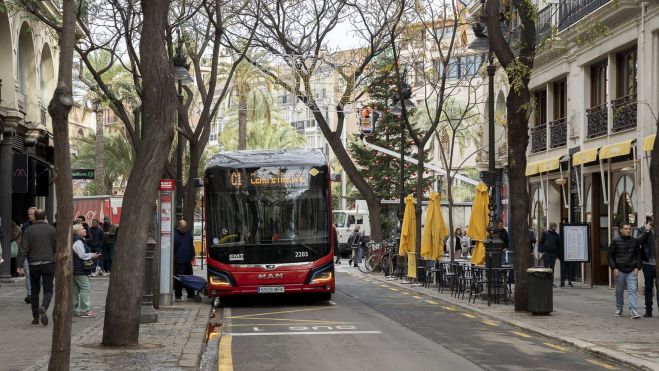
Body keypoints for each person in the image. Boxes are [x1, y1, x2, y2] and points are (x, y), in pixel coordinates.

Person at [16, 209, 56, 326]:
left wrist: (19, 265)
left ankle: (35, 318)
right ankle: (44, 306)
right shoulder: (52, 230)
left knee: (34, 291)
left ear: (35, 217)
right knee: (48, 290)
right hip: (48, 263)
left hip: (33, 264)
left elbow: (23, 249)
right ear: (45, 217)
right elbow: (56, 247)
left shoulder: (28, 230)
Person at [609, 222, 644, 319]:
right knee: (619, 291)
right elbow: (610, 255)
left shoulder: (635, 241)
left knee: (632, 290)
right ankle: (619, 308)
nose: (628, 230)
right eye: (626, 229)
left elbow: (638, 255)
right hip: (619, 269)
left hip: (632, 269)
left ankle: (633, 311)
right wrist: (614, 267)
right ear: (620, 230)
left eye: (629, 229)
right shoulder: (615, 241)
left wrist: (637, 267)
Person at [72, 223, 100, 317]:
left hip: (75, 268)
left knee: (75, 290)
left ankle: (75, 310)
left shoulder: (77, 240)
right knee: (85, 288)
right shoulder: (78, 242)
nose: (85, 230)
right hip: (80, 269)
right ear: (77, 232)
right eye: (82, 229)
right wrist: (92, 255)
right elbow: (82, 255)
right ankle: (85, 310)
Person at [174, 220, 197, 301]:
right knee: (179, 278)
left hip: (188, 259)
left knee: (190, 277)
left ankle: (190, 294)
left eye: (185, 228)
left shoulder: (187, 233)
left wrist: (193, 255)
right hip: (179, 261)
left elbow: (191, 244)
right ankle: (178, 295)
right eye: (183, 228)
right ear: (179, 226)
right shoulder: (174, 234)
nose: (184, 230)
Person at [639, 213, 656, 317]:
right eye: (652, 219)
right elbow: (638, 242)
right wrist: (647, 230)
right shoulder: (642, 229)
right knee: (648, 287)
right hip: (647, 263)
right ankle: (648, 310)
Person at [539, 222, 561, 287]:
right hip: (546, 253)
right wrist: (542, 251)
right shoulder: (545, 234)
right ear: (551, 227)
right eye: (554, 227)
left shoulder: (557, 235)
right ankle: (546, 282)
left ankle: (551, 282)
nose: (555, 228)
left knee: (552, 268)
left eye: (556, 227)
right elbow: (540, 243)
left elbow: (558, 245)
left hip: (553, 254)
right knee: (546, 268)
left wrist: (558, 254)